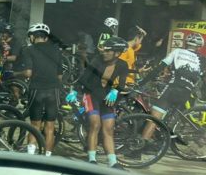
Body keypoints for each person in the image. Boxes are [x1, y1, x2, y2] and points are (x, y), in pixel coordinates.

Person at [70, 36, 129, 167]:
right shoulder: (97, 60)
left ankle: (113, 162)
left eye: (108, 51)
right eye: (104, 50)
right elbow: (84, 77)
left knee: (108, 129)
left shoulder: (123, 65)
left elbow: (122, 84)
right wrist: (75, 91)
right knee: (95, 125)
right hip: (90, 94)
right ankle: (92, 159)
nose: (104, 52)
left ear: (117, 53)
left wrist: (116, 91)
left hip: (106, 96)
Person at [140, 33, 204, 142]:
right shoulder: (202, 60)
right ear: (199, 47)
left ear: (185, 43)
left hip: (172, 89)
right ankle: (162, 140)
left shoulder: (177, 52)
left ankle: (141, 145)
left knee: (154, 119)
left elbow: (159, 68)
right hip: (186, 93)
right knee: (170, 118)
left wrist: (142, 82)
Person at [17, 23, 62, 156]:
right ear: (46, 37)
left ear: (32, 37)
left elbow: (28, 73)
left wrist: (15, 74)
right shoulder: (57, 51)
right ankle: (47, 157)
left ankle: (31, 156)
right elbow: (60, 76)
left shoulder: (29, 50)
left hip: (37, 89)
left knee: (35, 125)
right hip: (54, 90)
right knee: (50, 127)